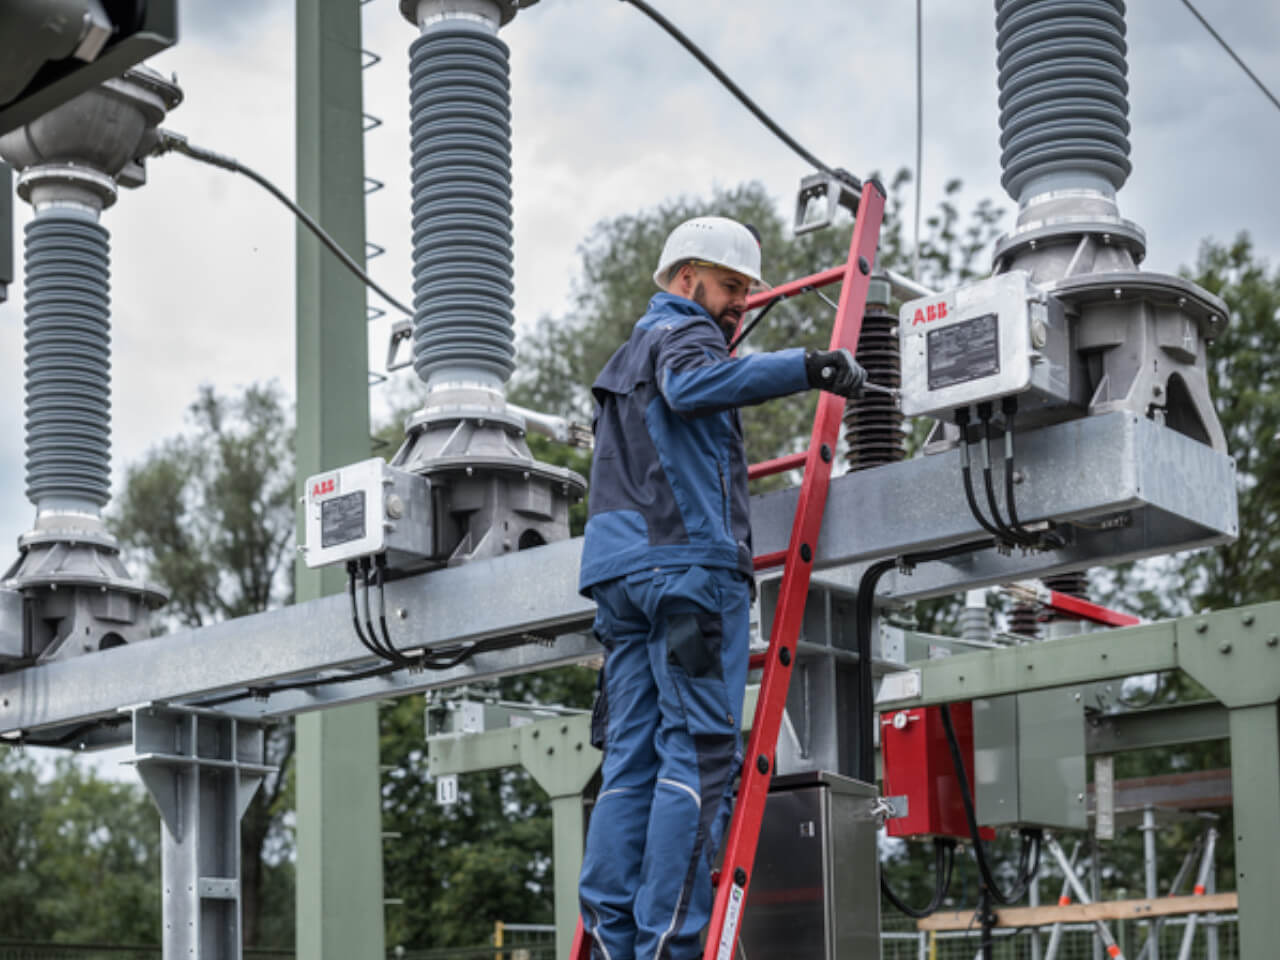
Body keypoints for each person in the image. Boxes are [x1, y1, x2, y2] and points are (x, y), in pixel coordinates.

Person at [576, 215, 867, 959]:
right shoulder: (685, 333)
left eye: (746, 289)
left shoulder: (622, 357)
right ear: (685, 280)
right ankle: (671, 941)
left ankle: (615, 938)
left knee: (632, 759)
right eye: (731, 285)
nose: (740, 302)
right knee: (699, 752)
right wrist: (810, 367)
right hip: (686, 581)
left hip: (621, 584)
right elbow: (695, 383)